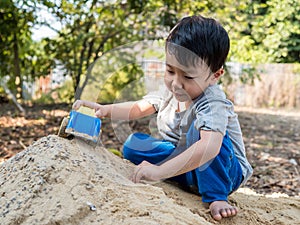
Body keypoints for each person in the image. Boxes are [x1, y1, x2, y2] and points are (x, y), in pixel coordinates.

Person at [72, 15, 253, 221]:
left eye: (188, 77)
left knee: (201, 132)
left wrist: (159, 172)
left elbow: (209, 148)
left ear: (215, 75)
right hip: (186, 161)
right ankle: (183, 176)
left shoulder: (213, 103)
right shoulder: (171, 90)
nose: (176, 83)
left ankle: (216, 196)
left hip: (225, 170)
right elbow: (141, 107)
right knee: (133, 145)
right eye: (170, 71)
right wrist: (106, 110)